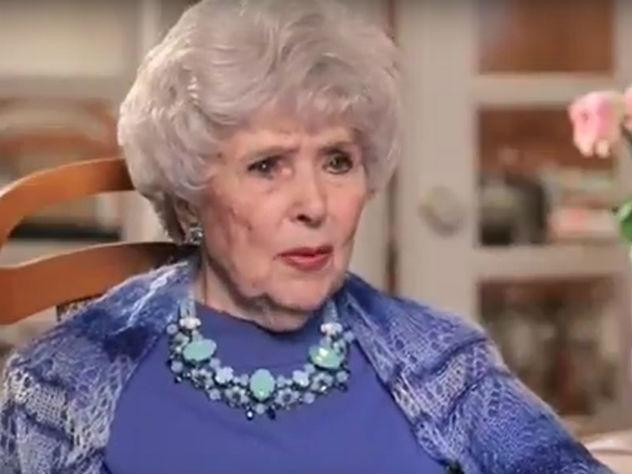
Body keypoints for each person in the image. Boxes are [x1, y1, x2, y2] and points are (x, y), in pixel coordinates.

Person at [0, 1, 610, 472]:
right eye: (268, 166)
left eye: (338, 161)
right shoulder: (59, 386)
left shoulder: (445, 362)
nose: (315, 205)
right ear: (189, 193)